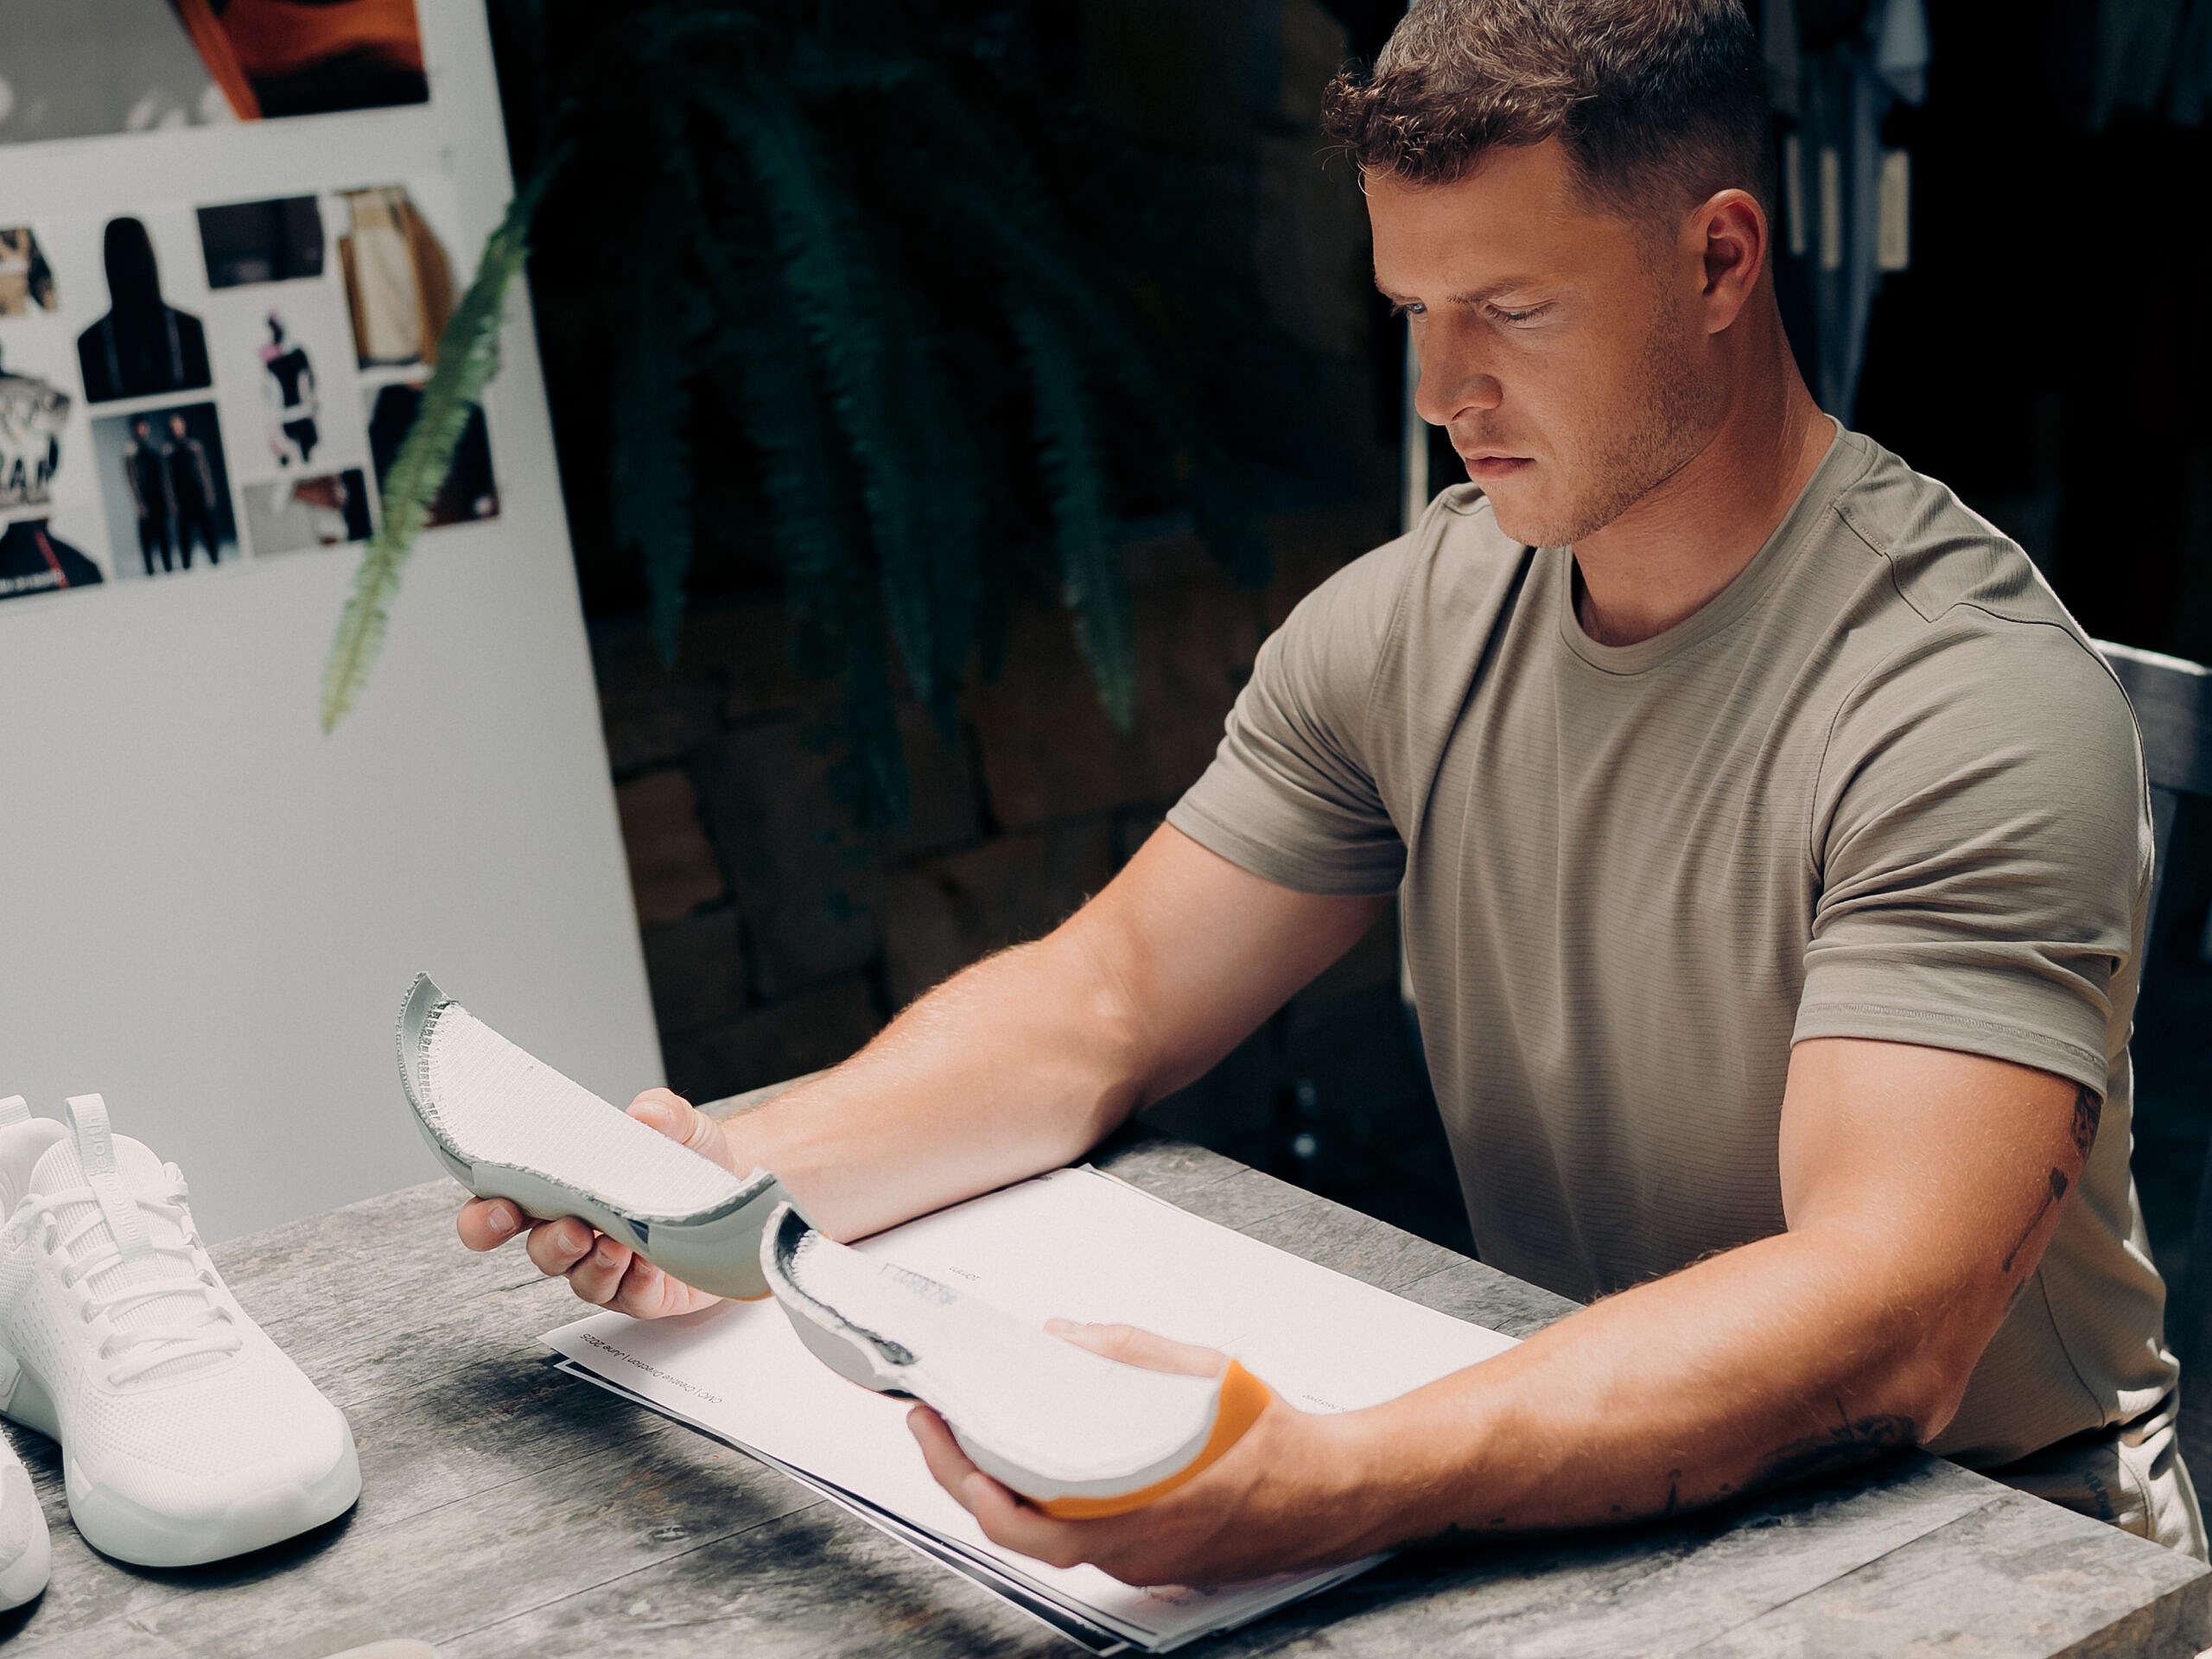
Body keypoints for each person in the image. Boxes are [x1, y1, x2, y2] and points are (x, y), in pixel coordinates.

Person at [458, 0, 2201, 1581]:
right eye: (1414, 315)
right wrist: (726, 1186)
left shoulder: (1963, 704)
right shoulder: (1416, 618)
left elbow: (1881, 1313)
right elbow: (1103, 1001)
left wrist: (1336, 1475)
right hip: (1609, 1470)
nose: (1442, 393)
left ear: (1719, 262)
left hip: (1993, 1550)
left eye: (1512, 311)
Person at [76, 217, 211, 405]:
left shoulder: (190, 329)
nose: (129, 267)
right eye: (120, 255)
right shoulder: (90, 343)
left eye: (134, 253)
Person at [164, 413, 223, 569]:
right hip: (181, 498)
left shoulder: (195, 446)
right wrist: (171, 501)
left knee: (208, 533)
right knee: (185, 538)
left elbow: (204, 471)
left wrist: (209, 494)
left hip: (198, 495)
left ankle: (215, 560)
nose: (177, 429)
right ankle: (187, 566)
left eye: (179, 425)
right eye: (173, 426)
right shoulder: (169, 450)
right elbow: (167, 479)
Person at [120, 416, 174, 575]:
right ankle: (150, 573)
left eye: (144, 427)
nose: (142, 430)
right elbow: (132, 480)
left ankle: (169, 570)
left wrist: (169, 499)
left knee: (164, 539)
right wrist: (140, 504)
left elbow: (165, 479)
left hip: (159, 501)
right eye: (139, 427)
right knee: (148, 542)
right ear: (133, 429)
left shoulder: (153, 450)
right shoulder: (131, 452)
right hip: (145, 502)